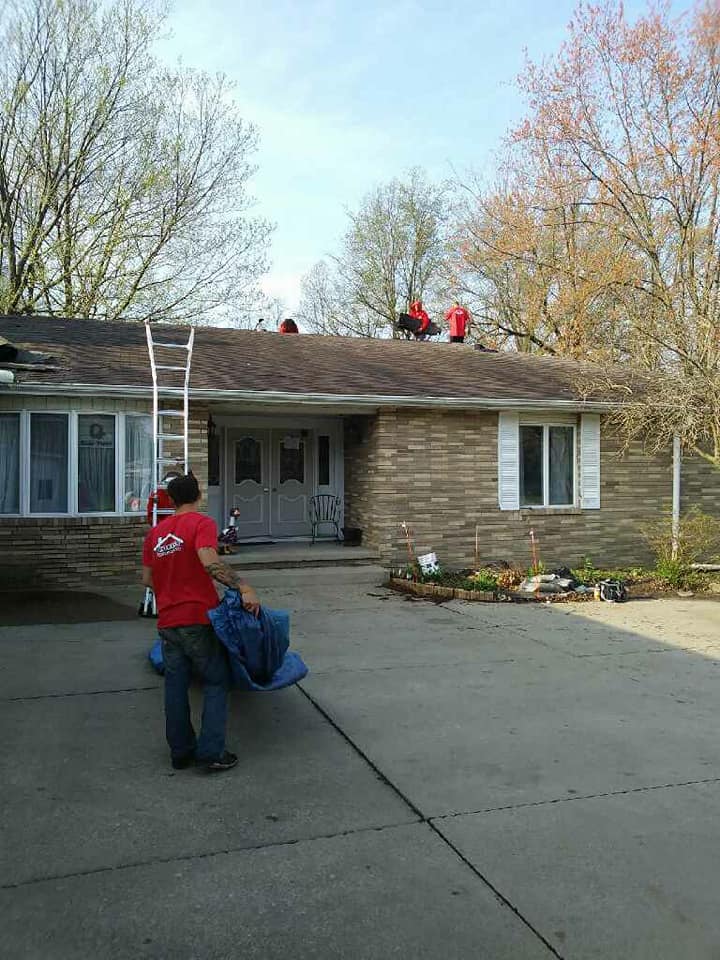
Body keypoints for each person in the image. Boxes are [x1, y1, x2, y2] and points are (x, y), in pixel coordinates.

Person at [142, 473, 261, 773]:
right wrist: (243, 587)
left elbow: (147, 579)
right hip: (197, 618)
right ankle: (211, 752)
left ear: (170, 499)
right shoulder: (201, 523)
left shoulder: (156, 534)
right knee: (217, 680)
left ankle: (180, 753)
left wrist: (171, 592)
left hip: (168, 622)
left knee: (175, 685)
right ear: (197, 496)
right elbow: (209, 561)